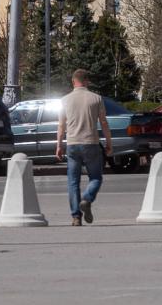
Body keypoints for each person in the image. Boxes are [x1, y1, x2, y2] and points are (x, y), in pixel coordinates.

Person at [56, 69, 113, 226]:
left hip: (73, 144)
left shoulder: (64, 100)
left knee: (73, 182)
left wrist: (59, 146)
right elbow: (103, 122)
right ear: (87, 81)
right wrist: (109, 143)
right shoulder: (96, 98)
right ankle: (87, 200)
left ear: (73, 81)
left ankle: (76, 217)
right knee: (96, 177)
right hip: (91, 143)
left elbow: (61, 124)